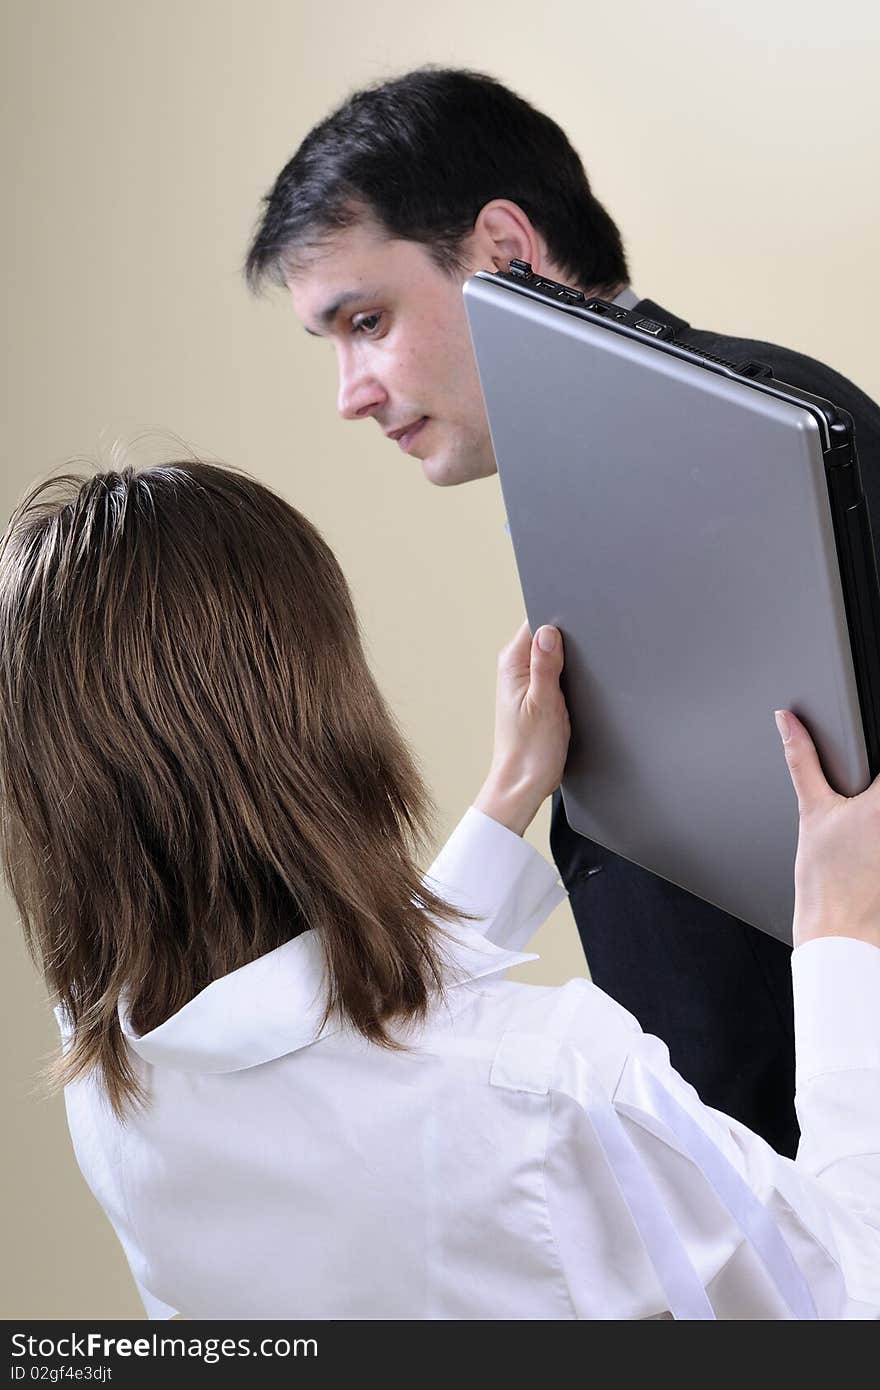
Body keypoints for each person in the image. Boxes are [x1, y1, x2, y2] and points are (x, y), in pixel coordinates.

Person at [0, 458, 878, 1320]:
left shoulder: (103, 1051)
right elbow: (848, 1299)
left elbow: (328, 1034)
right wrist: (843, 938)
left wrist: (506, 803)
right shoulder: (557, 1086)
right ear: (316, 706)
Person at [244, 67, 880, 1159]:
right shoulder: (609, 473)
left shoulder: (766, 435)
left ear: (503, 249)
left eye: (367, 320)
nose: (350, 389)